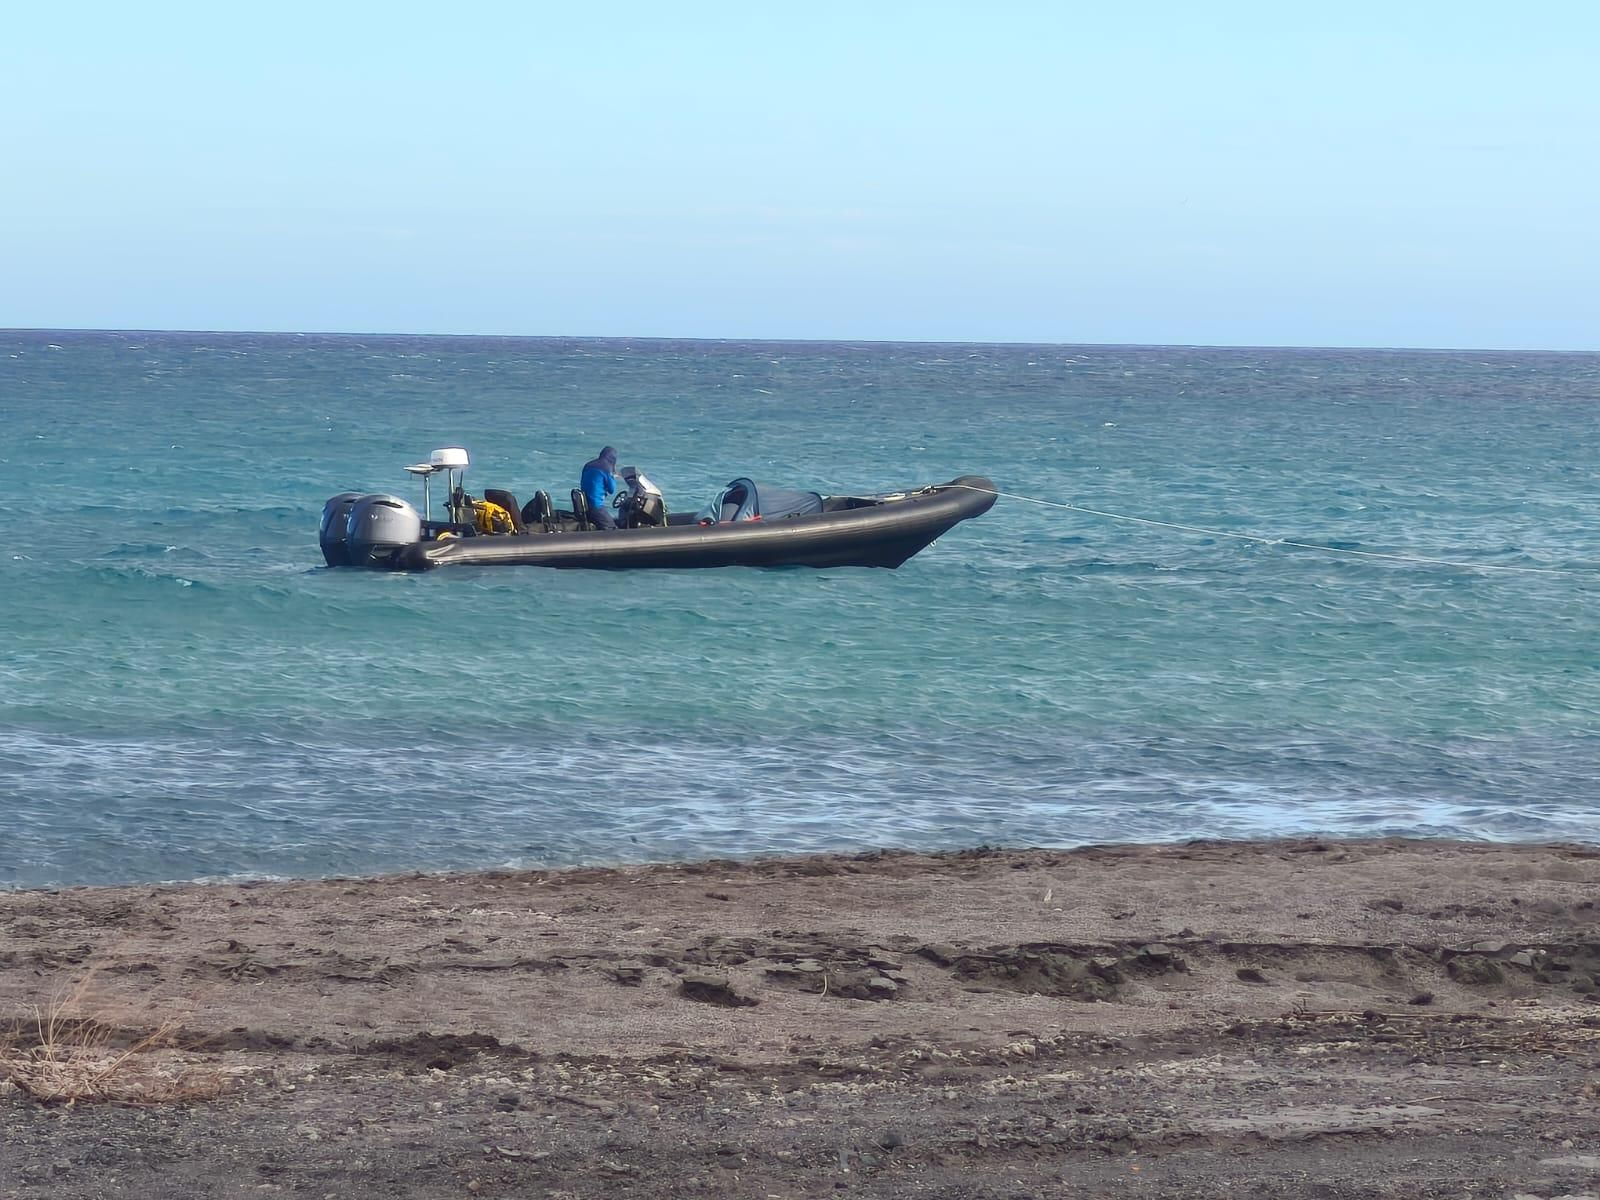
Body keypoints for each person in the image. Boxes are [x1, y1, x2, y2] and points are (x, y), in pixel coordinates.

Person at [580, 445, 621, 529]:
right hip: (595, 505)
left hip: (584, 504)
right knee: (612, 528)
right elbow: (611, 490)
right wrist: (612, 477)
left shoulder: (588, 465)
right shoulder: (606, 468)